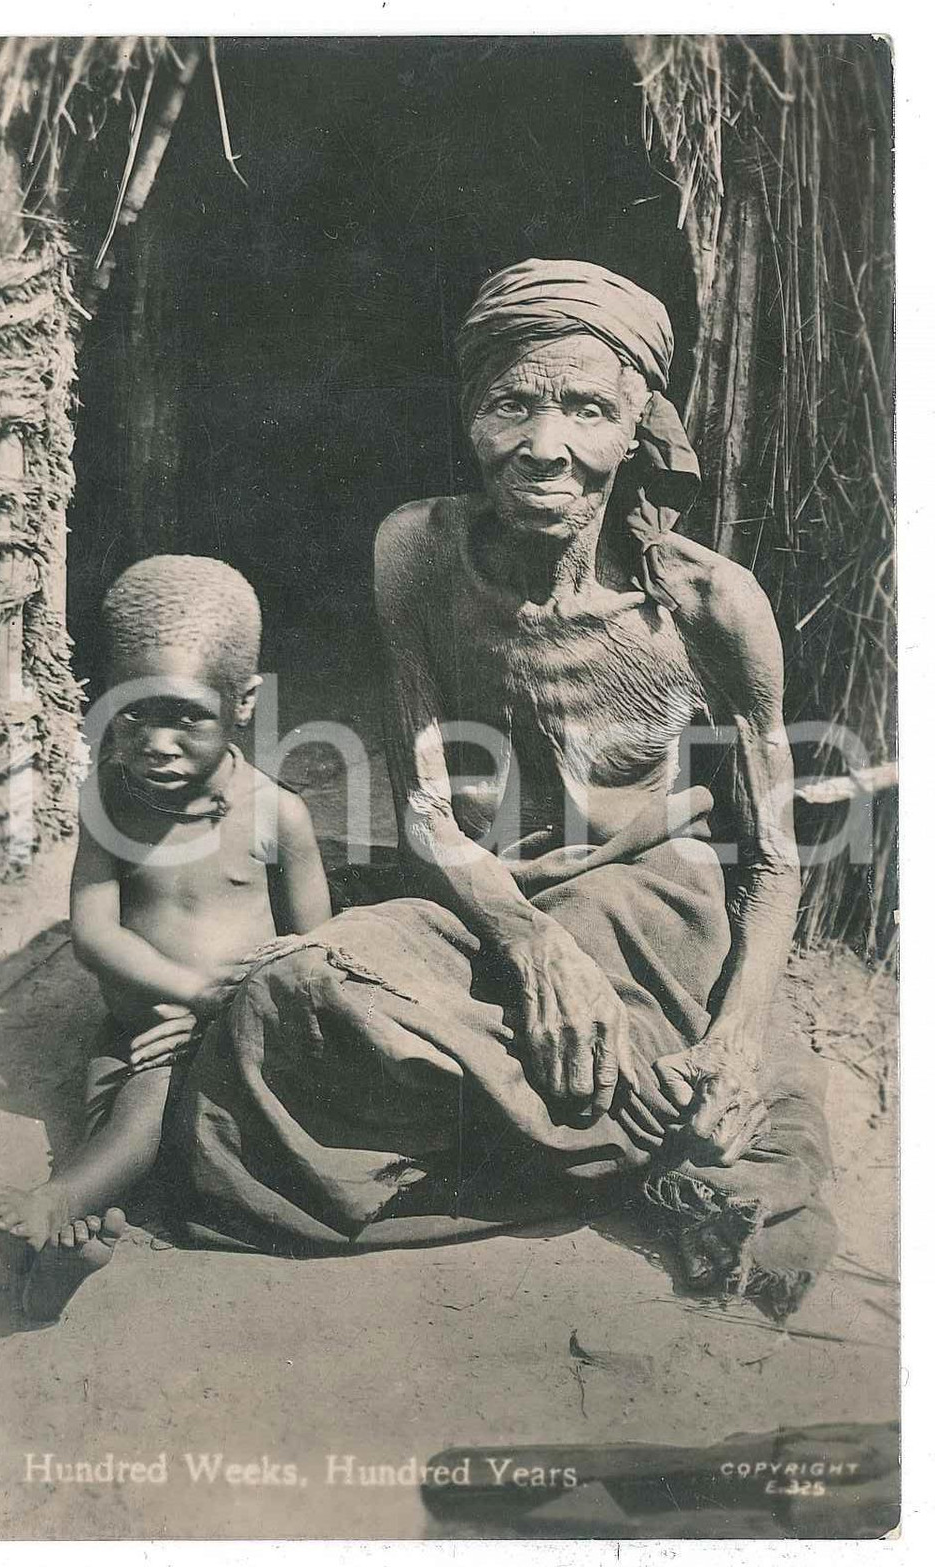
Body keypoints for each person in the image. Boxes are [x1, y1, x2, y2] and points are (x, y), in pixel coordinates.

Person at [174, 260, 834, 1316]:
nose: (545, 444)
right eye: (512, 402)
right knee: (280, 1008)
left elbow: (769, 854)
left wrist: (742, 1033)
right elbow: (429, 810)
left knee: (667, 1076)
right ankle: (604, 1139)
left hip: (644, 916)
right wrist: (529, 946)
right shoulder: (418, 553)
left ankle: (607, 1112)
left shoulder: (711, 605)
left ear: (634, 429)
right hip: (482, 902)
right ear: (471, 415)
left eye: (585, 408)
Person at [0, 555, 332, 1317]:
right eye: (133, 711)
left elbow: (317, 956)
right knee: (116, 1110)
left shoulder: (276, 817)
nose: (156, 741)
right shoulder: (111, 800)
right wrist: (186, 992)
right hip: (138, 1026)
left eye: (186, 715)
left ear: (244, 701)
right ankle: (57, 1254)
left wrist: (224, 1003)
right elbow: (94, 933)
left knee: (148, 1106)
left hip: (243, 1036)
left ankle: (57, 1204)